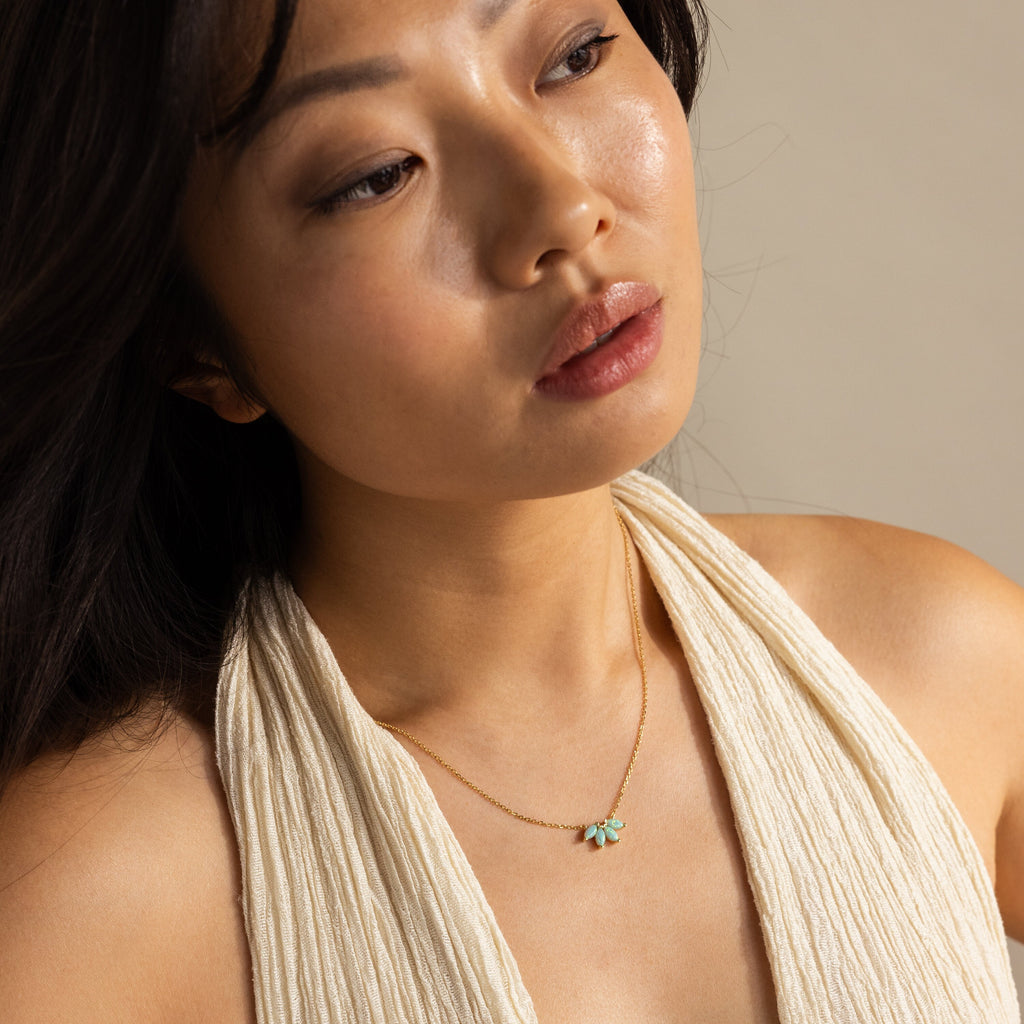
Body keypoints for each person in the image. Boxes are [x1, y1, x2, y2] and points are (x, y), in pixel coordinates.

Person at [0, 1, 1021, 1021]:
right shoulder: (86, 911)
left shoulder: (941, 660)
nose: (562, 207)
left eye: (575, 56)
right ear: (193, 345)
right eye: (378, 174)